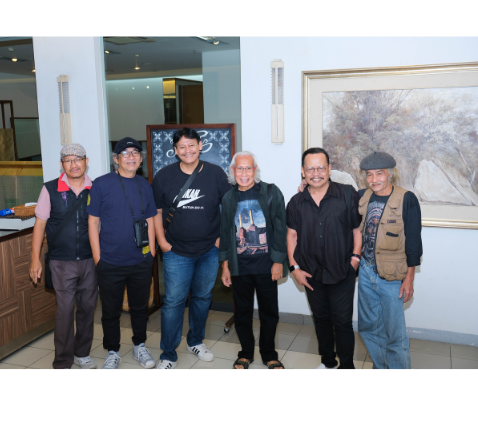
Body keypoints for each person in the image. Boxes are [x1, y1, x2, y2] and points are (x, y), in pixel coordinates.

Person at [152, 127, 231, 369]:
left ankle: (195, 341)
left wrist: (221, 237)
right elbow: (156, 212)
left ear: (200, 146)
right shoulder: (164, 176)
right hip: (176, 251)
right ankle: (168, 353)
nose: (188, 150)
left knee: (202, 298)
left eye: (192, 145)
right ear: (175, 150)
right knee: (173, 302)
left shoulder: (216, 173)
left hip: (209, 250)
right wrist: (162, 242)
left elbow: (229, 207)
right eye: (182, 147)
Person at [286, 147, 362, 369]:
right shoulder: (296, 202)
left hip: (342, 271)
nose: (316, 173)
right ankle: (328, 363)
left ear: (329, 169)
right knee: (321, 320)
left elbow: (357, 230)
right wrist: (294, 268)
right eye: (310, 169)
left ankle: (347, 367)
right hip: (311, 272)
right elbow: (291, 236)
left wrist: (355, 260)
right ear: (303, 171)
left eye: (321, 168)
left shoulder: (347, 194)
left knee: (342, 323)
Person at [87, 137, 157, 369]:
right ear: (116, 159)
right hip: (109, 261)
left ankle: (139, 346)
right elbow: (93, 222)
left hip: (140, 260)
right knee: (110, 311)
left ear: (141, 158)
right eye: (125, 153)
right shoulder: (101, 184)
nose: (131, 157)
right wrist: (98, 259)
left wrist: (151, 253)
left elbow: (150, 219)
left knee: (140, 308)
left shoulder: (144, 185)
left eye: (135, 152)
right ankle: (113, 351)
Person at [29, 143, 97, 369]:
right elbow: (40, 225)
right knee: (65, 311)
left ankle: (82, 352)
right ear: (62, 165)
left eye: (78, 159)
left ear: (86, 161)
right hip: (61, 261)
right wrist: (35, 259)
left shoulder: (96, 188)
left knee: (88, 307)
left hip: (90, 260)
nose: (73, 164)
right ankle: (62, 361)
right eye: (68, 160)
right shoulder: (50, 189)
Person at [219, 151, 288, 369]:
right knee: (242, 313)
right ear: (233, 171)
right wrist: (225, 266)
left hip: (267, 267)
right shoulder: (228, 198)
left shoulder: (270, 192)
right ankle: (246, 353)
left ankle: (269, 354)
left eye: (248, 168)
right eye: (239, 168)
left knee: (269, 313)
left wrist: (278, 261)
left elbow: (281, 228)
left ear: (255, 170)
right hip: (240, 267)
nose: (244, 173)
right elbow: (225, 233)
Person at [357, 151, 422, 369]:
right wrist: (307, 186)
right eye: (369, 174)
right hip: (366, 272)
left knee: (395, 334)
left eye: (379, 173)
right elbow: (334, 194)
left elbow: (413, 242)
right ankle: (381, 368)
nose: (374, 179)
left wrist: (409, 279)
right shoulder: (362, 196)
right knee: (368, 328)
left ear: (390, 174)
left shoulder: (407, 199)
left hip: (392, 277)